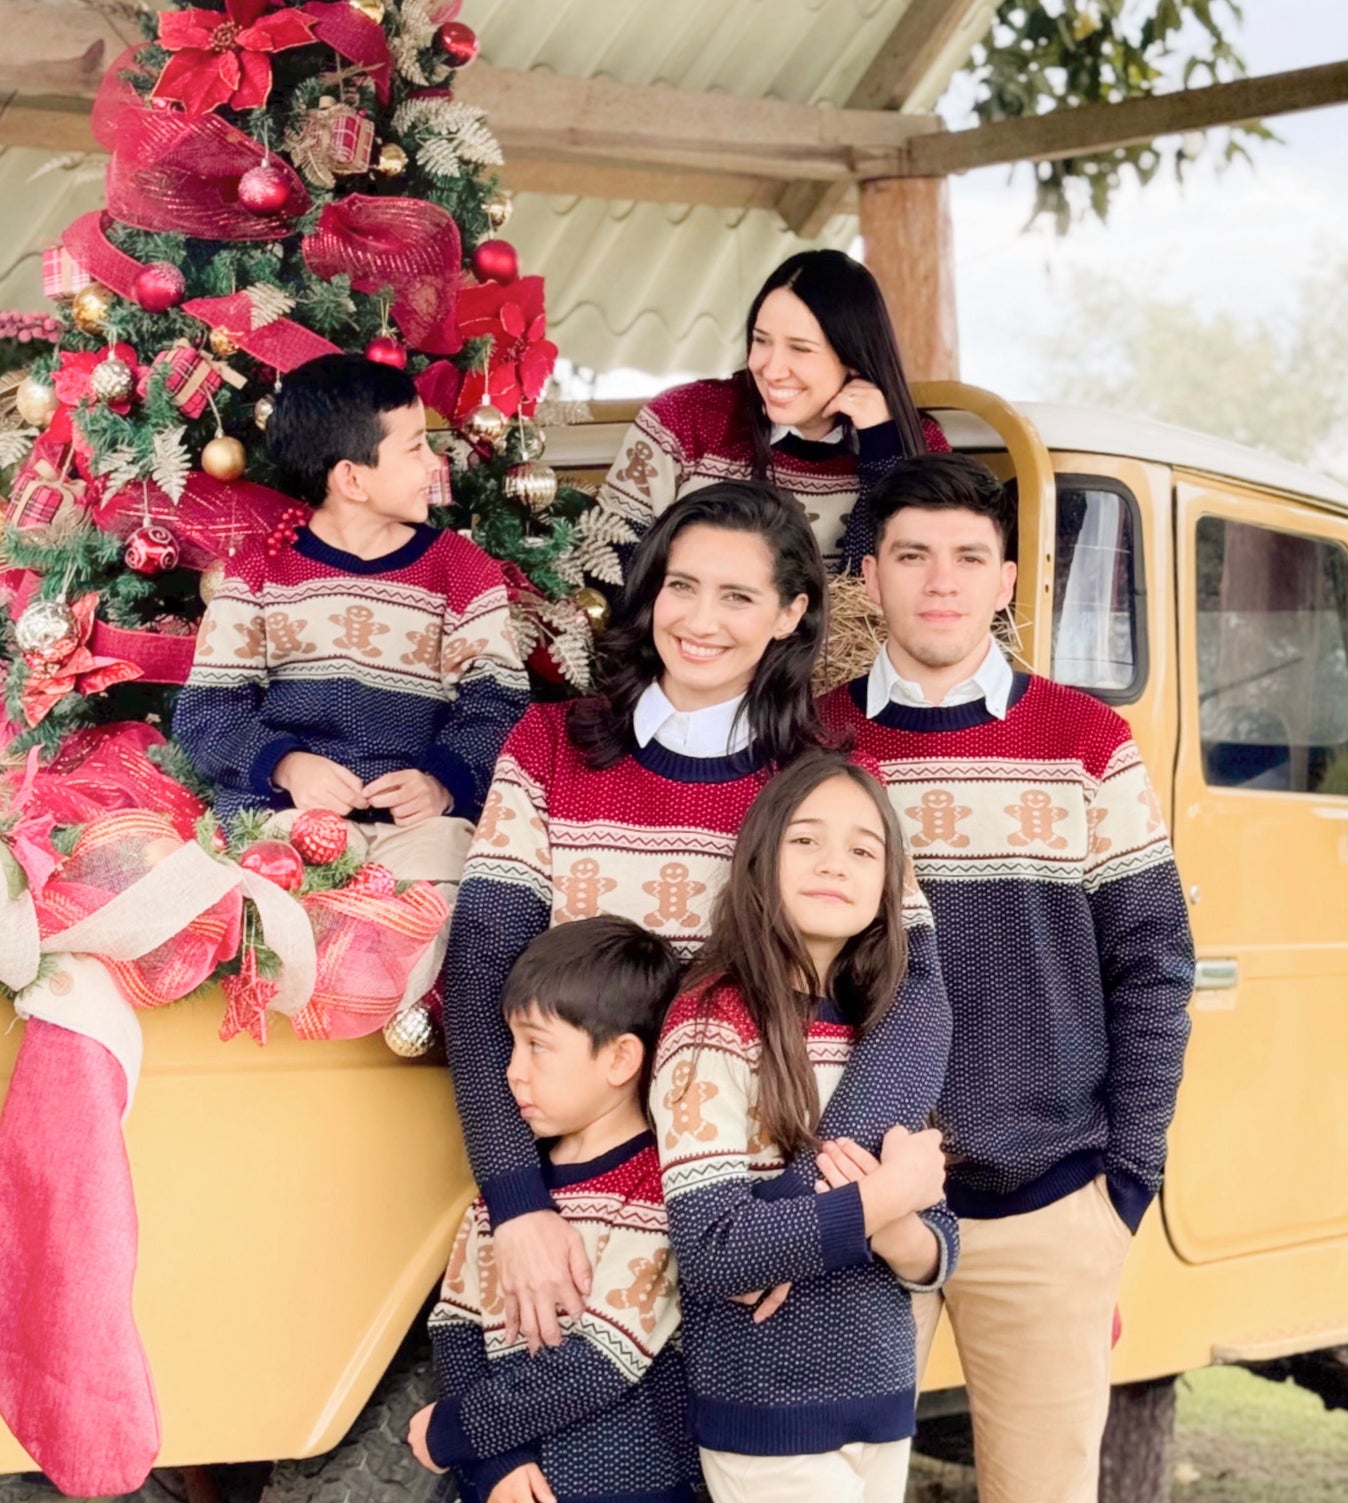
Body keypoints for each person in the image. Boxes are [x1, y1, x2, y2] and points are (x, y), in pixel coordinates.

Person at [819, 453, 1196, 1503]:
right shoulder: (818, 746)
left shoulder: (1084, 743)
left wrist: (1126, 1180)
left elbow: (1153, 960)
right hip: (863, 1203)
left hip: (1050, 1201)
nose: (938, 581)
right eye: (909, 555)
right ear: (870, 577)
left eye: (965, 557)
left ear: (1007, 580)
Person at [444, 479, 946, 1353]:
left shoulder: (823, 774)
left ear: (789, 614)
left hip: (748, 1212)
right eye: (681, 586)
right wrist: (516, 1203)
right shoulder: (548, 748)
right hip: (580, 1213)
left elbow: (914, 998)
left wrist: (795, 1215)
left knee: (743, 1482)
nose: (700, 620)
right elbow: (481, 970)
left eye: (738, 596)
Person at [651, 750, 956, 1503]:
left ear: (891, 884)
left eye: (863, 847)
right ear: (758, 860)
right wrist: (865, 1204)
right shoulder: (710, 1026)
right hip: (768, 1413)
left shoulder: (884, 1036)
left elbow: (931, 1240)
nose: (835, 863)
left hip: (878, 1398)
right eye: (807, 840)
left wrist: (894, 1217)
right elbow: (712, 1245)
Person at [408, 914, 702, 1503]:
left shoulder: (659, 1194)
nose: (511, 1073)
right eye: (509, 1045)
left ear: (621, 1059)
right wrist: (490, 1469)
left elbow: (602, 1362)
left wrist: (453, 1437)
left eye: (536, 1046)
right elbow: (455, 1325)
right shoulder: (510, 1198)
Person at [174, 352, 526, 887]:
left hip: (421, 828)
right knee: (276, 914)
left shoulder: (461, 571)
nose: (437, 463)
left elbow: (497, 705)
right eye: (415, 448)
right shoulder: (260, 572)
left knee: (450, 903)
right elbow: (208, 710)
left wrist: (443, 783)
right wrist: (286, 767)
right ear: (352, 480)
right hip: (285, 817)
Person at [594, 249, 951, 582]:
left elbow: (885, 588)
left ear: (853, 357)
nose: (771, 368)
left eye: (799, 348)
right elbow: (606, 566)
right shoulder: (684, 418)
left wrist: (881, 450)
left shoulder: (918, 443)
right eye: (761, 340)